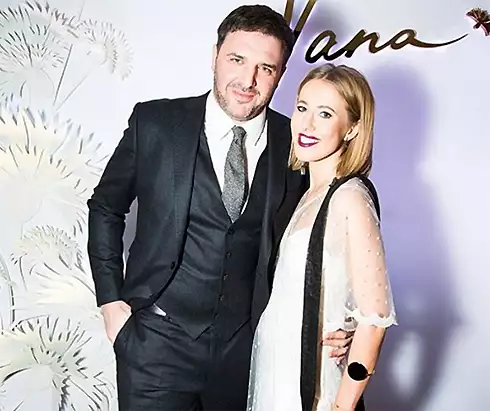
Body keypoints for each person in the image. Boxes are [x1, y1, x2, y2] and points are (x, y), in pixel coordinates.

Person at [87, 5, 352, 411]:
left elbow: (323, 241)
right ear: (214, 56)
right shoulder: (155, 122)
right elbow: (106, 207)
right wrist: (110, 301)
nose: (248, 80)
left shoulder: (298, 143)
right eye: (237, 60)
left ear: (281, 73)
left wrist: (340, 318)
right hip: (154, 343)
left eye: (266, 68)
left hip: (247, 353)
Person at [246, 63, 398, 411]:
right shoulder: (305, 194)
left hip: (314, 389)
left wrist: (341, 407)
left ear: (352, 128)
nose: (307, 124)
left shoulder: (350, 197)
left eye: (325, 114)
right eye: (302, 108)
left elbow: (375, 321)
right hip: (276, 374)